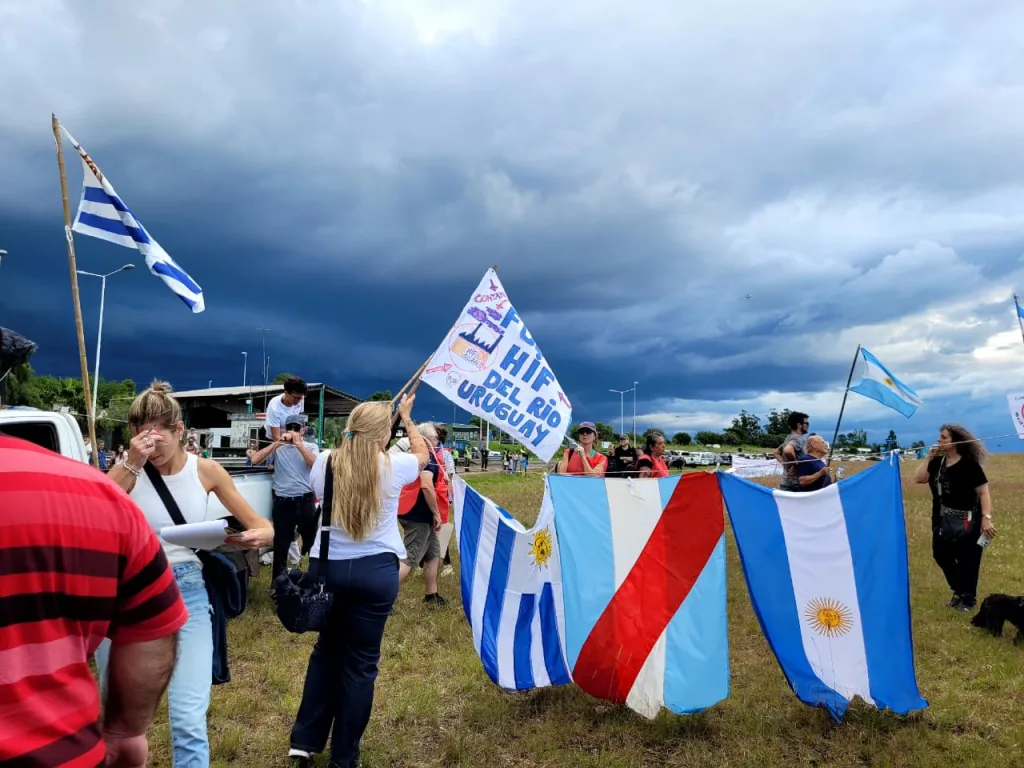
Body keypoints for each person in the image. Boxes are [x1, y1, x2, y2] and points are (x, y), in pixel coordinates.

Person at [101, 381, 274, 767]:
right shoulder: (127, 470)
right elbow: (97, 512)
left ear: (180, 432)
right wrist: (132, 463)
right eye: (142, 437)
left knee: (188, 719)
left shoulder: (206, 470)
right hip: (126, 592)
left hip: (187, 590)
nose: (153, 449)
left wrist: (258, 534)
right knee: (118, 722)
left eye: (159, 439)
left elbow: (260, 523)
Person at [0, 434, 188, 768]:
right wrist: (125, 733)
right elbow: (151, 636)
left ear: (179, 431)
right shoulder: (96, 495)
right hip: (62, 752)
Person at [290, 394, 429, 768]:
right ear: (385, 435)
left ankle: (304, 741)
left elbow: (321, 495)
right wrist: (408, 419)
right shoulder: (395, 465)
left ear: (350, 427)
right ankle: (345, 755)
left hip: (328, 570)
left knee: (325, 654)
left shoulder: (324, 462)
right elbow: (423, 457)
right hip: (376, 572)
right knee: (361, 666)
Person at [913, 424, 995, 612]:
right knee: (941, 554)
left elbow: (983, 493)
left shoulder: (969, 466)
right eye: (940, 437)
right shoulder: (936, 463)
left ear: (956, 441)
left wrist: (986, 517)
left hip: (969, 521)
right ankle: (960, 590)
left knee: (969, 560)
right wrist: (929, 456)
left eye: (944, 438)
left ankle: (967, 599)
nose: (939, 440)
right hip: (941, 520)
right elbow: (919, 478)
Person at [248, 413, 320, 590]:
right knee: (281, 546)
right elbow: (255, 460)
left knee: (312, 542)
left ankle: (312, 582)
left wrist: (299, 445)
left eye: (297, 428)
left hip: (305, 500)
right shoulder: (277, 449)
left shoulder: (310, 446)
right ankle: (278, 588)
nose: (293, 431)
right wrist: (277, 442)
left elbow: (316, 464)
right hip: (283, 502)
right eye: (290, 428)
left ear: (303, 430)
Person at [397, 422, 448, 606]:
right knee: (410, 557)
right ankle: (383, 600)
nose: (437, 440)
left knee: (433, 553)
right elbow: (427, 486)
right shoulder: (427, 460)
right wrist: (436, 513)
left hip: (413, 511)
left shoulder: (413, 457)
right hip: (418, 514)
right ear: (427, 439)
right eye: (435, 437)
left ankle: (431, 594)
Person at [265, 376, 308, 445]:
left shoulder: (300, 400)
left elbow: (298, 420)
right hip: (273, 440)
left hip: (290, 437)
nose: (298, 401)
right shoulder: (274, 406)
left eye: (300, 398)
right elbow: (276, 437)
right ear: (286, 393)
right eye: (295, 398)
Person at [774, 411, 810, 491]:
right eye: (806, 423)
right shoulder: (797, 438)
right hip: (795, 486)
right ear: (799, 425)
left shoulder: (789, 437)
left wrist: (786, 465)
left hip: (785, 483)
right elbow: (788, 450)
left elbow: (776, 452)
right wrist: (793, 465)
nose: (808, 425)